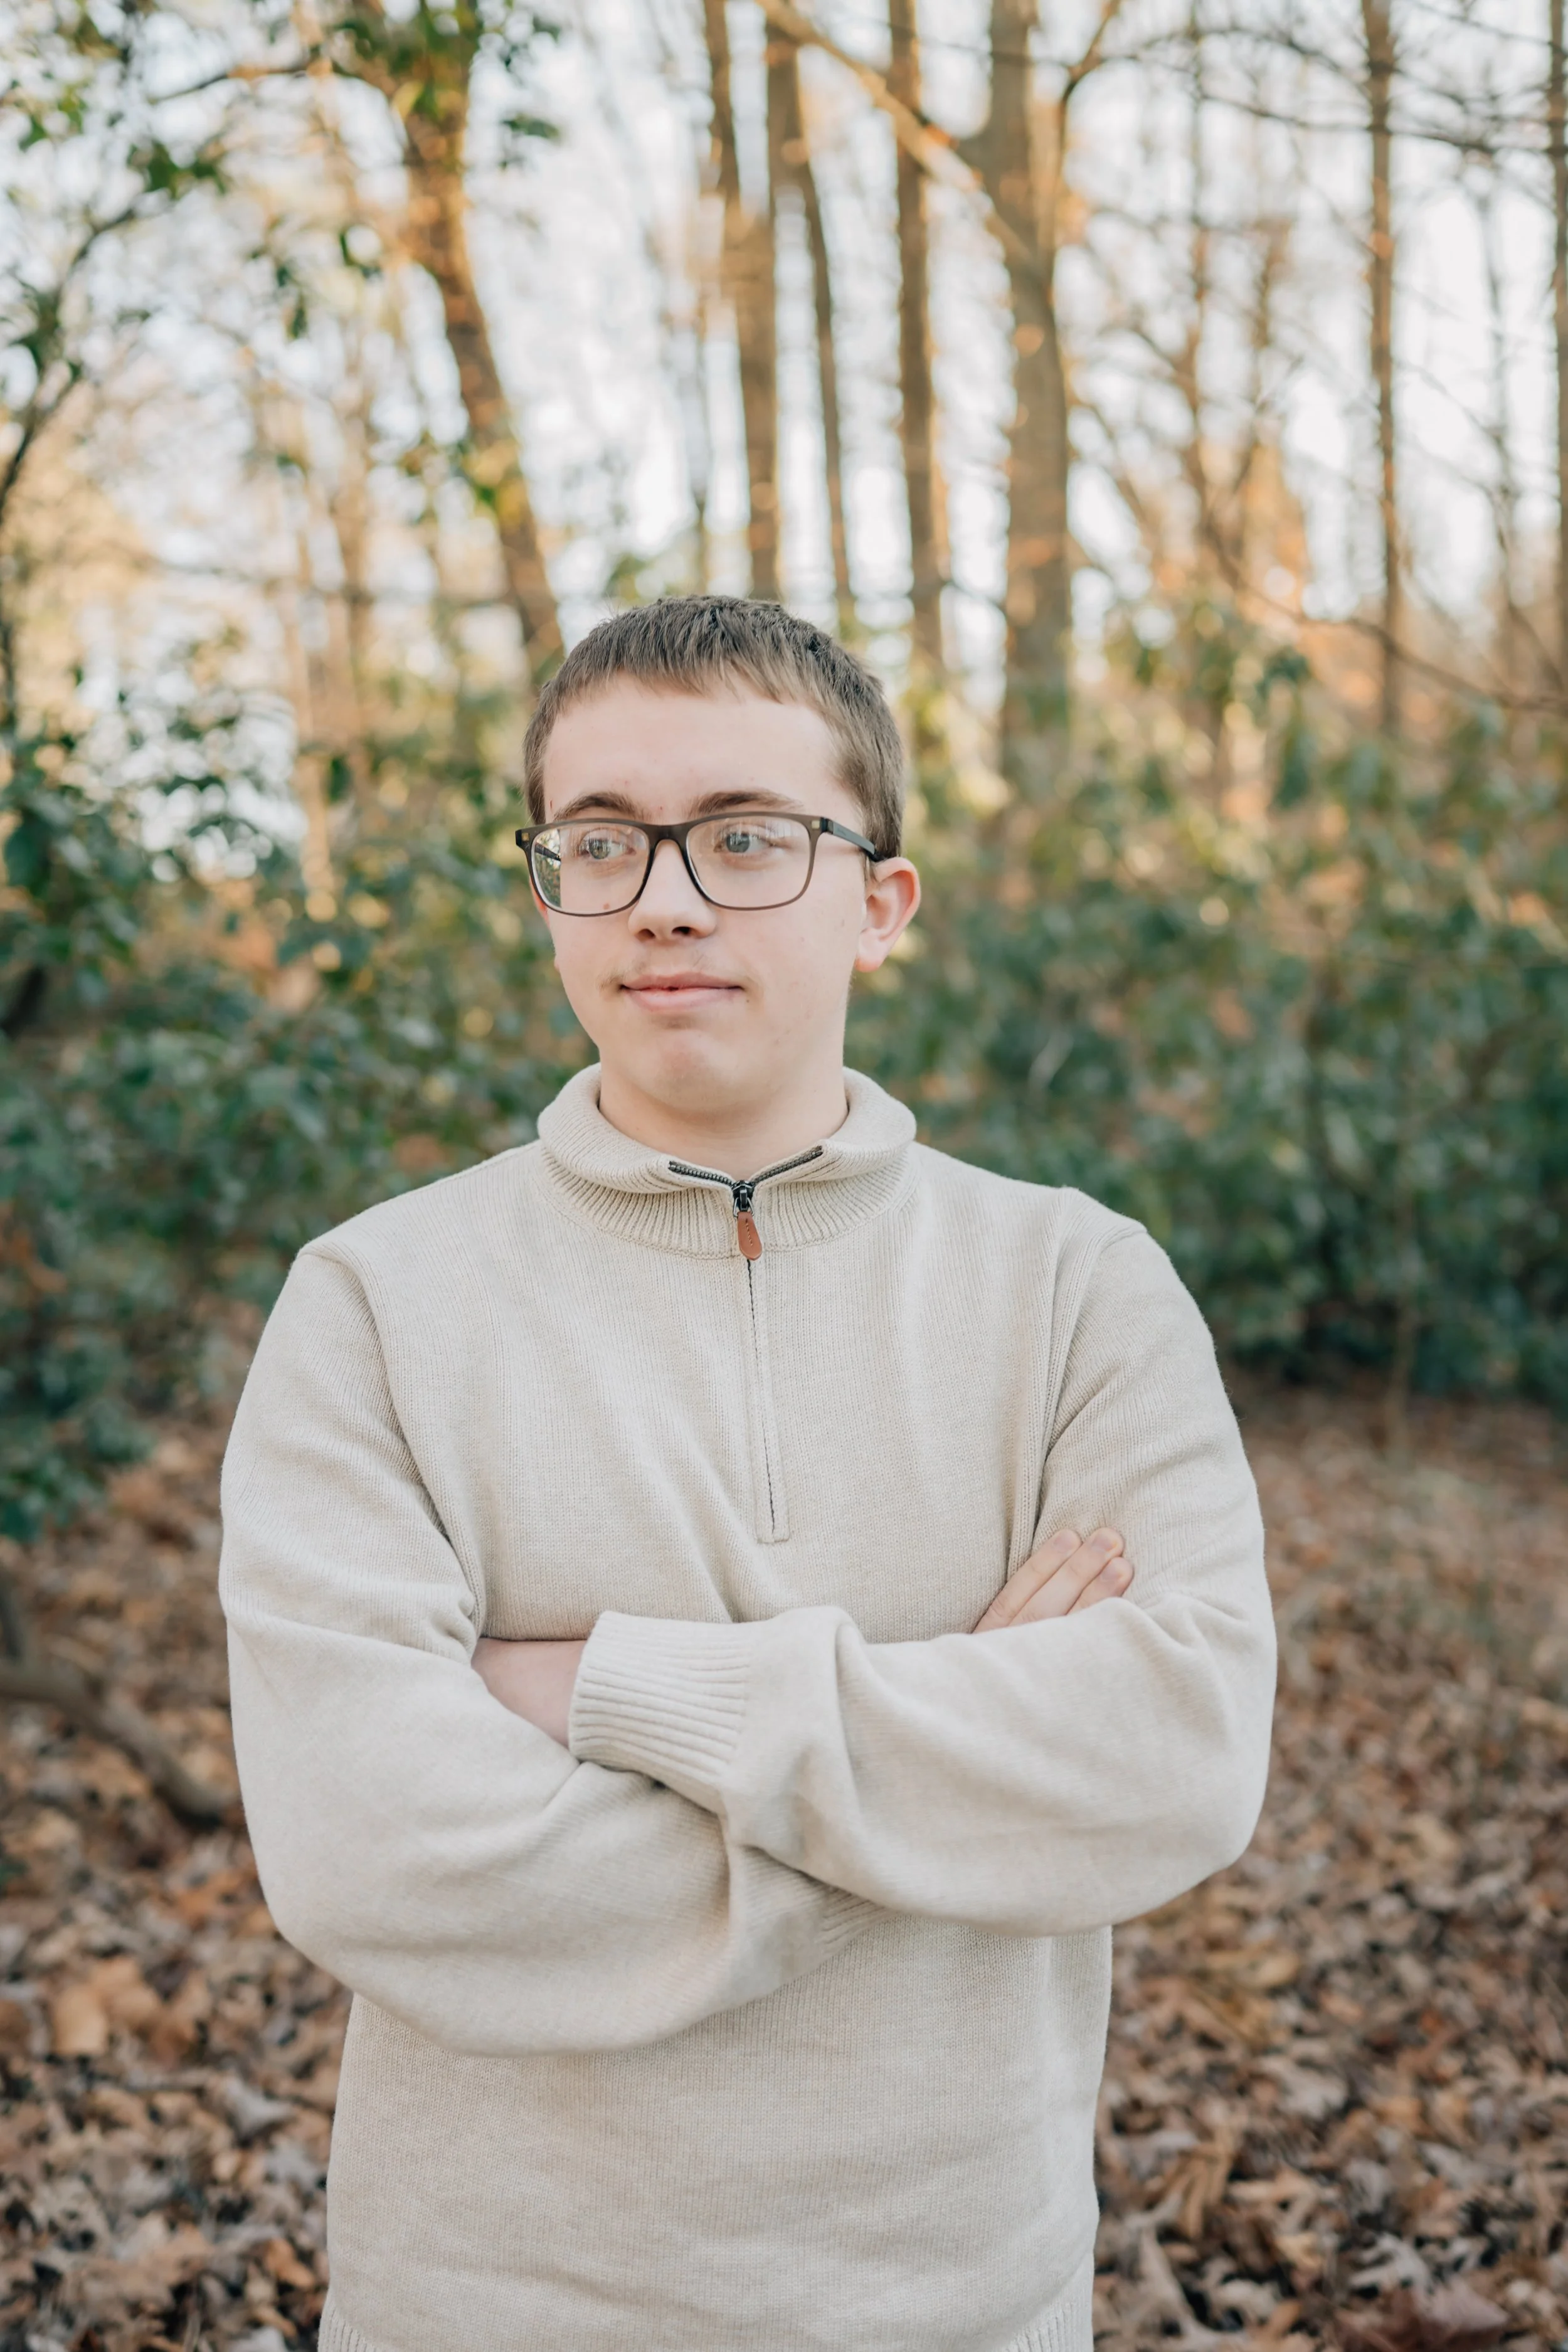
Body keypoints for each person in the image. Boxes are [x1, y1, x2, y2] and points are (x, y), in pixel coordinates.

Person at [220, 595, 1275, 2352]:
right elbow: (369, 1849)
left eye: (746, 836)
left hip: (965, 2299)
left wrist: (619, 1690)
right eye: (601, 839)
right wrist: (940, 1757)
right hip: (492, 2303)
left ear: (880, 901)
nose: (666, 894)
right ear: (545, 887)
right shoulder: (373, 1300)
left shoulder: (1078, 1284)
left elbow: (1172, 1757)